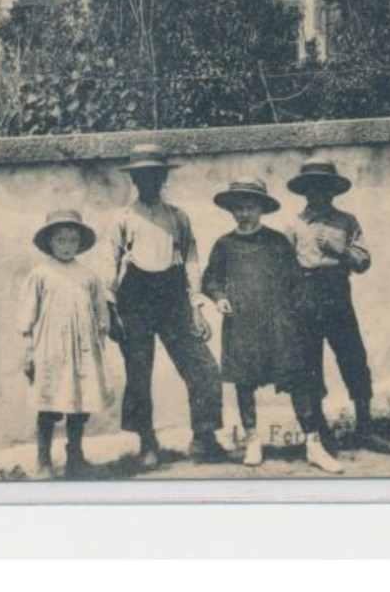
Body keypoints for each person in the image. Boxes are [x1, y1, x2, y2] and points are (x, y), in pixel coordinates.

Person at [202, 178, 344, 474]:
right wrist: (219, 298)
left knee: (299, 379)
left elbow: (296, 282)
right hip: (242, 322)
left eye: (250, 207)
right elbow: (210, 279)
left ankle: (313, 443)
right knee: (244, 381)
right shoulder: (224, 245)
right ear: (231, 211)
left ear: (261, 210)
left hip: (279, 322)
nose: (244, 214)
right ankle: (253, 440)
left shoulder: (277, 242)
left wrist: (297, 316)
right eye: (239, 208)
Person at [106, 143, 227, 468]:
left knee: (203, 368)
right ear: (134, 181)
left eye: (155, 176)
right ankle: (147, 442)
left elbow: (190, 260)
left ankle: (204, 438)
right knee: (139, 373)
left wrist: (197, 308)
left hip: (173, 297)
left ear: (163, 179)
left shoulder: (178, 217)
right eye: (143, 177)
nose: (149, 182)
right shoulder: (122, 218)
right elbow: (110, 265)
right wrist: (111, 311)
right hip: (135, 300)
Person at [285, 160, 390, 455]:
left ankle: (365, 429)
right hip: (306, 295)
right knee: (310, 365)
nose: (318, 194)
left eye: (324, 187)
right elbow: (284, 270)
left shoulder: (347, 221)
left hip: (338, 292)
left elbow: (363, 262)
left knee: (354, 357)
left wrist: (341, 250)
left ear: (333, 191)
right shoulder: (293, 225)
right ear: (305, 191)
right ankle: (321, 434)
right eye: (312, 188)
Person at [18, 209, 112, 479]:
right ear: (49, 241)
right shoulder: (41, 274)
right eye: (61, 240)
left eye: (72, 240)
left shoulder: (88, 276)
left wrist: (100, 342)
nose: (67, 246)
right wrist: (29, 349)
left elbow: (100, 311)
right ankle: (44, 460)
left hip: (82, 350)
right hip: (51, 349)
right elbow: (28, 312)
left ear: (80, 243)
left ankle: (76, 456)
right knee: (49, 404)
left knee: (79, 404)